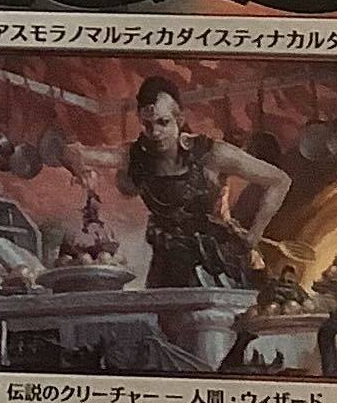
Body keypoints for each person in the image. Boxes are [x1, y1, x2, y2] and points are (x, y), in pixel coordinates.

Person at [124, 72, 289, 287]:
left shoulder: (212, 154)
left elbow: (279, 181)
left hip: (217, 265)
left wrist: (254, 235)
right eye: (148, 125)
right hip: (166, 268)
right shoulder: (139, 158)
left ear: (179, 120)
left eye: (163, 122)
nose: (155, 132)